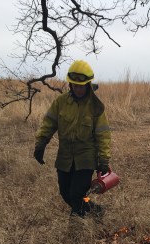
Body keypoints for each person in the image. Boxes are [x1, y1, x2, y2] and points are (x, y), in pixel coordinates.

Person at [33, 60, 111, 218]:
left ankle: (77, 224)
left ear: (88, 84)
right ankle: (95, 211)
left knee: (77, 194)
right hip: (65, 157)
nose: (78, 89)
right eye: (75, 86)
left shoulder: (95, 106)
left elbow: (103, 134)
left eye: (81, 86)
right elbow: (48, 124)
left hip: (86, 158)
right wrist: (40, 144)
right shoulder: (60, 102)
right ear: (70, 85)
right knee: (65, 193)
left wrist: (103, 159)